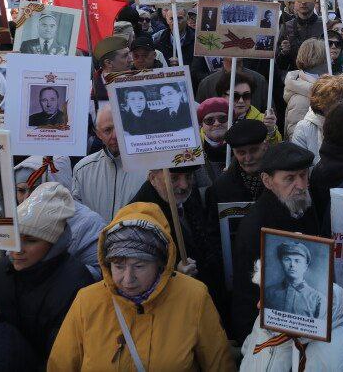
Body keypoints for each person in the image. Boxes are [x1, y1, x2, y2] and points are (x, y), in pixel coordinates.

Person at [48, 202, 234, 370]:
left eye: (139, 266)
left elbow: (219, 365)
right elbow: (60, 366)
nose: (128, 279)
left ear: (161, 263)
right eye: (118, 266)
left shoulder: (194, 297)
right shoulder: (87, 301)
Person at [0, 183, 95, 369]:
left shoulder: (76, 283)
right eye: (14, 237)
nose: (17, 249)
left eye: (31, 240)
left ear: (54, 243)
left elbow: (66, 354)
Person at [231, 142, 319, 341]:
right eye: (289, 178)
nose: (301, 185)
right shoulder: (256, 227)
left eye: (303, 175)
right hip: (269, 333)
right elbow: (247, 293)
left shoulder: (305, 206)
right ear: (267, 181)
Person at [129, 167, 224, 309]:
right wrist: (174, 274)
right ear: (153, 178)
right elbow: (133, 280)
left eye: (189, 176)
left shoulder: (189, 197)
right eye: (174, 178)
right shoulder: (138, 220)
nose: (185, 185)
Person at [71, 104, 147, 222]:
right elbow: (76, 218)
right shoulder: (82, 170)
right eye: (108, 130)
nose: (115, 136)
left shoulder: (150, 169)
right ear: (98, 134)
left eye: (120, 127)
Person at [290, 74, 343, 158]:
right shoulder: (304, 128)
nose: (341, 107)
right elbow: (301, 165)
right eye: (334, 103)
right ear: (321, 105)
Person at [263, 240, 325, 317]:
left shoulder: (317, 298)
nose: (292, 265)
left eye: (297, 261)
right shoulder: (269, 293)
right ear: (281, 263)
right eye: (287, 259)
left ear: (305, 267)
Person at [283, 38, 326, 138]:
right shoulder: (301, 99)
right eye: (326, 55)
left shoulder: (320, 85)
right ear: (319, 59)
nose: (331, 58)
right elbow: (297, 138)